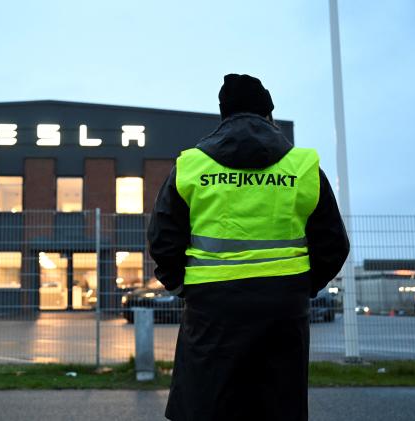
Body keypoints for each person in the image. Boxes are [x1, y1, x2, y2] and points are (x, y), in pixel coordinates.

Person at [147, 74, 350, 421]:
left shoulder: (192, 166)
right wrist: (302, 286)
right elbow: (333, 243)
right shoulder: (303, 167)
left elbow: (162, 240)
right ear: (268, 114)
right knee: (277, 405)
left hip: (212, 307)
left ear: (223, 115)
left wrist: (183, 287)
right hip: (283, 308)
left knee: (207, 405)